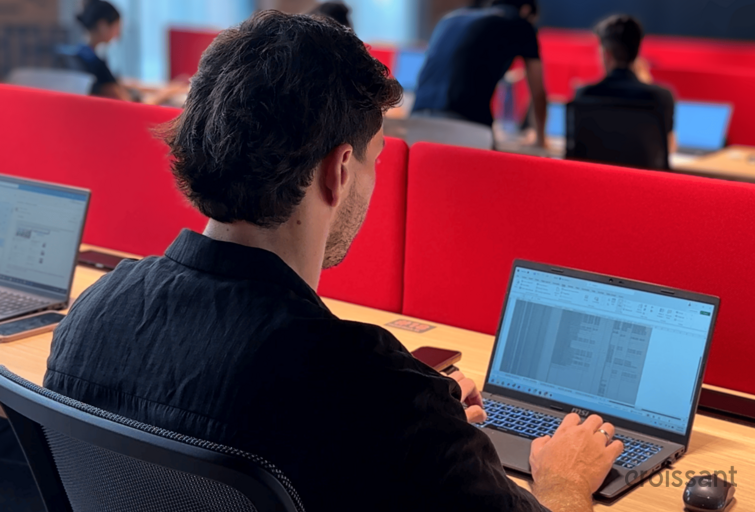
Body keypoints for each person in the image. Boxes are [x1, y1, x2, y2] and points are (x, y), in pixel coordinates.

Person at [45, 10, 621, 512]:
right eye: (374, 160)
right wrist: (563, 480)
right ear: (340, 170)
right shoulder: (370, 391)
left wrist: (438, 438)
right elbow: (351, 412)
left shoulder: (92, 316)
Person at [412, 0, 548, 147]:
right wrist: (540, 140)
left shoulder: (451, 18)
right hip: (466, 123)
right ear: (526, 11)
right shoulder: (522, 25)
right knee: (499, 168)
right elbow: (538, 94)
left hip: (417, 117)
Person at [574, 15, 677, 153]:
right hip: (640, 175)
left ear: (606, 54)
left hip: (599, 174)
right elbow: (669, 148)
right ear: (636, 52)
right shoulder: (661, 97)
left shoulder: (584, 94)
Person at [75, 0, 186, 103]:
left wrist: (163, 87)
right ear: (103, 26)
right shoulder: (96, 64)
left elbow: (120, 82)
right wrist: (168, 92)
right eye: (117, 26)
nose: (118, 33)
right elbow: (130, 105)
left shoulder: (80, 55)